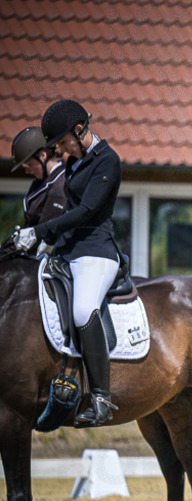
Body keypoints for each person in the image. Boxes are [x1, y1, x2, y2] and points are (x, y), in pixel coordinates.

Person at [13, 100, 123, 427]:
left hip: (96, 251)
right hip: (68, 251)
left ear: (79, 130)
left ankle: (102, 398)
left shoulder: (108, 161)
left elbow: (86, 211)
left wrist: (40, 231)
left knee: (82, 309)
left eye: (62, 142)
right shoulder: (74, 161)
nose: (59, 150)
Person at [11, 126, 66, 228]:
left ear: (42, 156)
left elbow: (47, 230)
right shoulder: (40, 183)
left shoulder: (59, 185)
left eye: (29, 164)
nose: (27, 171)